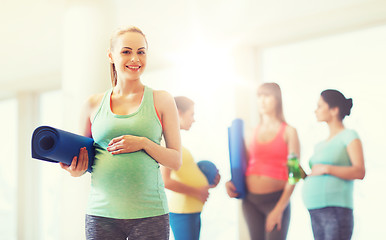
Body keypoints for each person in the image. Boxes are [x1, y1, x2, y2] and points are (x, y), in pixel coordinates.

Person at [59, 26, 182, 240]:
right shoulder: (92, 104)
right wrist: (75, 169)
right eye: (126, 51)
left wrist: (144, 143)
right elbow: (84, 162)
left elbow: (175, 160)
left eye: (141, 52)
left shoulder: (162, 99)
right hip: (101, 215)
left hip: (150, 214)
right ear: (111, 55)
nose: (135, 58)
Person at [225, 82, 300, 240]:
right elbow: (244, 166)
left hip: (276, 200)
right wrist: (231, 182)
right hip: (250, 202)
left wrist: (279, 209)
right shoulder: (251, 132)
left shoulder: (289, 132)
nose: (262, 101)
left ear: (277, 99)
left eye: (267, 96)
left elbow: (294, 174)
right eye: (259, 96)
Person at [302, 89, 365, 240]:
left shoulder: (349, 136)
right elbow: (318, 174)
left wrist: (326, 168)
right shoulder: (319, 145)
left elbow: (359, 171)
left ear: (334, 110)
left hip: (335, 209)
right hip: (315, 208)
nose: (315, 110)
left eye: (320, 106)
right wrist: (305, 175)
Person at [161, 96, 221, 240]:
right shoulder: (166, 142)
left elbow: (187, 175)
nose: (193, 119)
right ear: (179, 113)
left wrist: (209, 182)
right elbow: (166, 181)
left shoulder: (177, 142)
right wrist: (197, 192)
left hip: (191, 210)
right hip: (182, 211)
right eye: (191, 114)